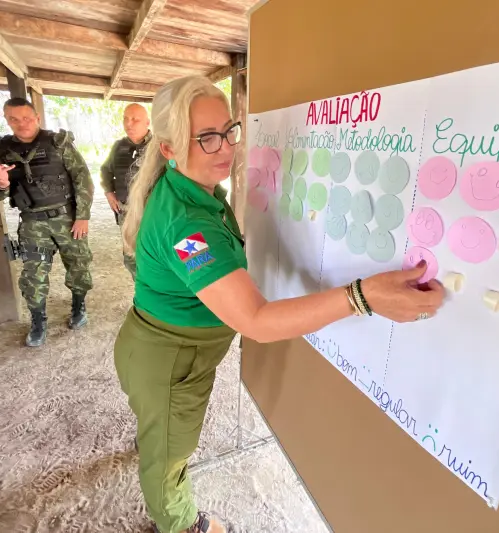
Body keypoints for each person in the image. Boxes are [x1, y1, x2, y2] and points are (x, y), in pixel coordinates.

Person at [114, 76, 445, 533]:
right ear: (169, 149)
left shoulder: (194, 188)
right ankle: (179, 524)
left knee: (161, 432)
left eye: (228, 130)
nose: (226, 148)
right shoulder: (188, 226)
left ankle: (155, 433)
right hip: (169, 363)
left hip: (160, 352)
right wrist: (362, 296)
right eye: (206, 138)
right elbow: (255, 321)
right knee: (168, 459)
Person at [0, 98, 94, 347]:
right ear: (7, 120)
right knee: (34, 274)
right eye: (14, 119)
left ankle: (78, 307)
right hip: (32, 222)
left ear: (37, 117)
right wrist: (1, 184)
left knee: (78, 264)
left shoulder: (58, 143)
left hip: (67, 217)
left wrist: (83, 216)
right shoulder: (0, 152)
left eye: (27, 118)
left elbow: (82, 178)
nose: (21, 124)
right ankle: (38, 321)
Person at [100, 103, 152, 278]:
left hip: (151, 212)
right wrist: (109, 192)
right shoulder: (119, 147)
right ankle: (140, 287)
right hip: (126, 212)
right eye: (126, 119)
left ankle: (154, 288)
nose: (129, 124)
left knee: (152, 253)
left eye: (135, 119)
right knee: (130, 257)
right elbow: (106, 170)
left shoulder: (159, 147)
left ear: (147, 122)